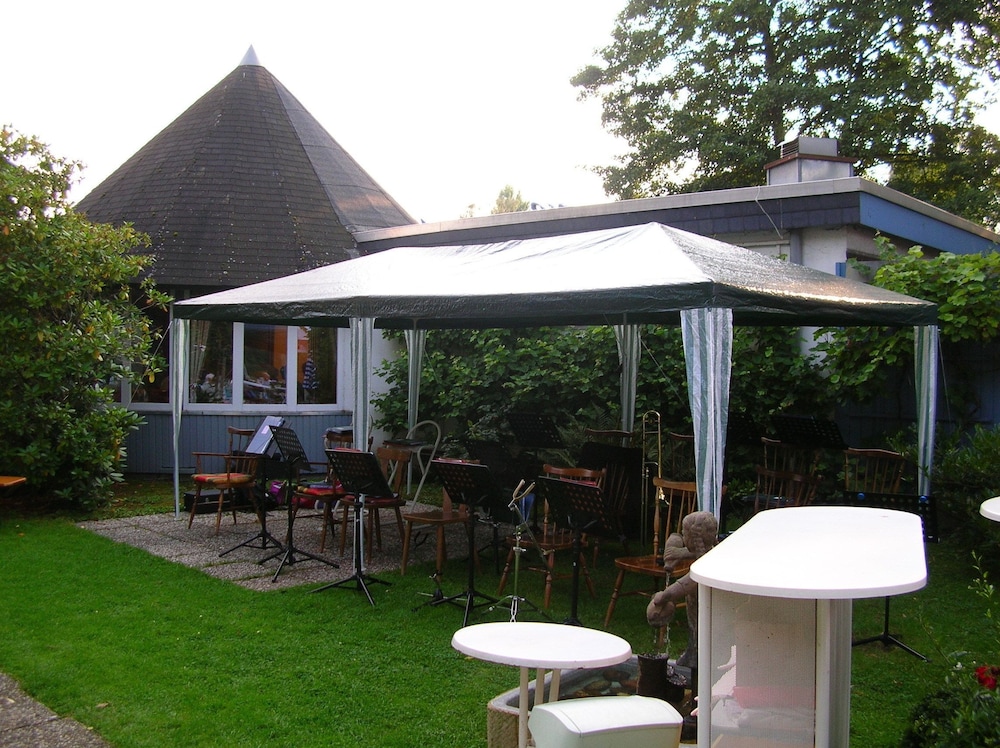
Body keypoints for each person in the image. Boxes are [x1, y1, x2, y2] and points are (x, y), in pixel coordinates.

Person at [646, 510, 718, 668]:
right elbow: (696, 550)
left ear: (693, 538)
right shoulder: (713, 553)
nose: (683, 538)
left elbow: (684, 585)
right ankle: (694, 660)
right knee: (696, 636)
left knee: (703, 645)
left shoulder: (705, 568)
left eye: (685, 534)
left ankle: (700, 669)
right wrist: (680, 553)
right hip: (699, 614)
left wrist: (662, 596)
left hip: (710, 619)